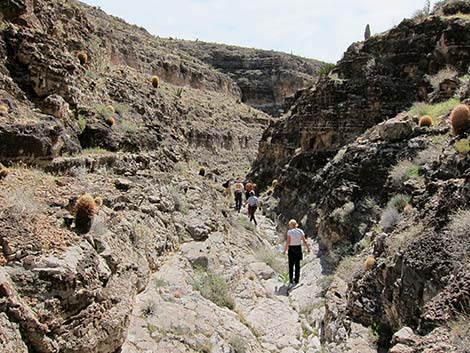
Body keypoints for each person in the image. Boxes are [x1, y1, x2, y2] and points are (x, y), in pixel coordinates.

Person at [283, 219, 310, 286]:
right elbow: (304, 241)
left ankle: (291, 279)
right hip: (298, 248)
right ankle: (296, 280)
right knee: (297, 265)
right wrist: (308, 248)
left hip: (291, 249)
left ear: (290, 225)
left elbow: (288, 242)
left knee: (291, 265)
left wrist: (285, 250)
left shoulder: (289, 232)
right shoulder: (300, 231)